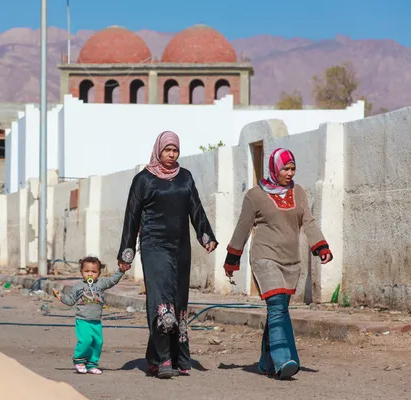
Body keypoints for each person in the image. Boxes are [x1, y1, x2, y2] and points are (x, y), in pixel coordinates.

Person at [223, 148, 333, 380]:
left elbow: (309, 223)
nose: (289, 172)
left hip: (291, 260)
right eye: (285, 168)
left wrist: (321, 247)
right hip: (265, 257)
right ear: (274, 168)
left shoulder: (299, 192)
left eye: (292, 168)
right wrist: (232, 259)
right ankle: (284, 359)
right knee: (275, 306)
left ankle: (266, 362)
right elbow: (243, 227)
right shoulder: (254, 195)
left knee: (280, 308)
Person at [116, 131, 218, 379]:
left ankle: (176, 357)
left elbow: (196, 208)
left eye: (175, 150)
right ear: (158, 150)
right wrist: (126, 252)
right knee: (161, 301)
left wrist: (206, 236)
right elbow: (132, 216)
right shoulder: (143, 179)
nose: (171, 155)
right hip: (154, 246)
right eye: (167, 150)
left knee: (178, 300)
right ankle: (164, 359)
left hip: (181, 247)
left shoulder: (185, 177)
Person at [52, 256, 126, 375]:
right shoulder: (77, 287)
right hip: (83, 320)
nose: (90, 274)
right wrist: (60, 296)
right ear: (81, 272)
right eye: (87, 271)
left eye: (94, 271)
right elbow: (71, 301)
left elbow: (113, 280)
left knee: (98, 342)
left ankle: (92, 364)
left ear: (99, 273)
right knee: (86, 340)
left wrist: (121, 271)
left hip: (96, 321)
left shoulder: (101, 283)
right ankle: (79, 361)